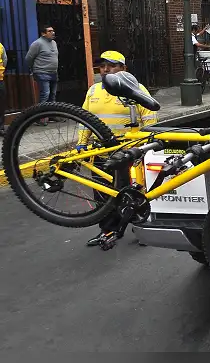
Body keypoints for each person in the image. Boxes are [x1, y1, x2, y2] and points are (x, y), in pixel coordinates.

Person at [76, 51, 158, 247]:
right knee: (102, 196)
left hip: (127, 152)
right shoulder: (93, 91)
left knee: (133, 193)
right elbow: (84, 119)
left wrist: (143, 148)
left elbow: (150, 120)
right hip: (100, 153)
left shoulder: (136, 89)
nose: (105, 69)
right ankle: (107, 231)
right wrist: (81, 143)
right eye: (102, 65)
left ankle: (143, 229)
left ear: (123, 69)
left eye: (111, 65)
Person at [25, 25, 59, 124]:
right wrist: (34, 69)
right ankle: (40, 118)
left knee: (52, 95)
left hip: (53, 72)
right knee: (45, 94)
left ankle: (52, 115)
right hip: (42, 72)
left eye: (53, 31)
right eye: (49, 31)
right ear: (43, 33)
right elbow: (28, 58)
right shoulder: (37, 44)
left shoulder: (54, 43)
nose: (53, 33)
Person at [0, 38, 7, 136]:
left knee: (1, 104)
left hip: (0, 80)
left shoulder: (0, 46)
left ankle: (1, 127)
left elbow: (4, 60)